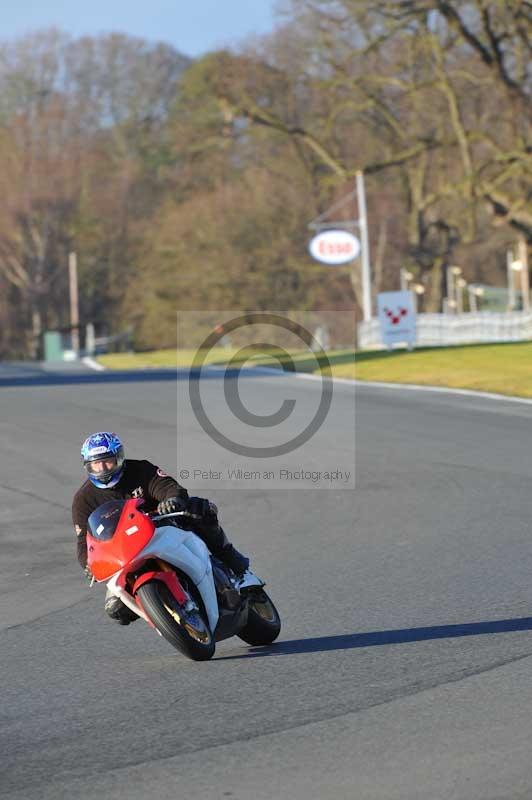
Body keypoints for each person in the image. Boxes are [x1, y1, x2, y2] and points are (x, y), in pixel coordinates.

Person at [72, 432, 250, 625]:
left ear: (119, 458)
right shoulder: (83, 500)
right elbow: (84, 541)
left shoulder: (140, 469)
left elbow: (168, 487)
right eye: (96, 464)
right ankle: (161, 612)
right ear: (87, 466)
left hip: (161, 525)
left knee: (199, 510)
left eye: (108, 462)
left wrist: (171, 500)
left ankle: (234, 564)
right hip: (123, 551)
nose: (103, 469)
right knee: (115, 609)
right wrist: (89, 564)